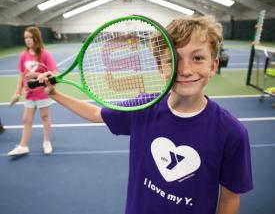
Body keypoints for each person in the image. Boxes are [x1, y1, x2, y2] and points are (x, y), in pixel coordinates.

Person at [39, 15, 253, 214]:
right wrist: (55, 94)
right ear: (160, 68)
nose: (186, 70)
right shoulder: (143, 107)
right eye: (173, 60)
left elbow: (230, 198)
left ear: (214, 65)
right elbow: (96, 113)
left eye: (197, 58)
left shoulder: (231, 133)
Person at [7, 26, 57, 156]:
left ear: (36, 38)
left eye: (30, 37)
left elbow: (53, 73)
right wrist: (17, 92)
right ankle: (23, 146)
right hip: (29, 94)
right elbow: (21, 76)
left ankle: (46, 142)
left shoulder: (45, 54)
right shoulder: (23, 55)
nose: (28, 40)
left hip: (42, 93)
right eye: (25, 38)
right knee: (26, 119)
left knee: (45, 117)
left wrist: (35, 75)